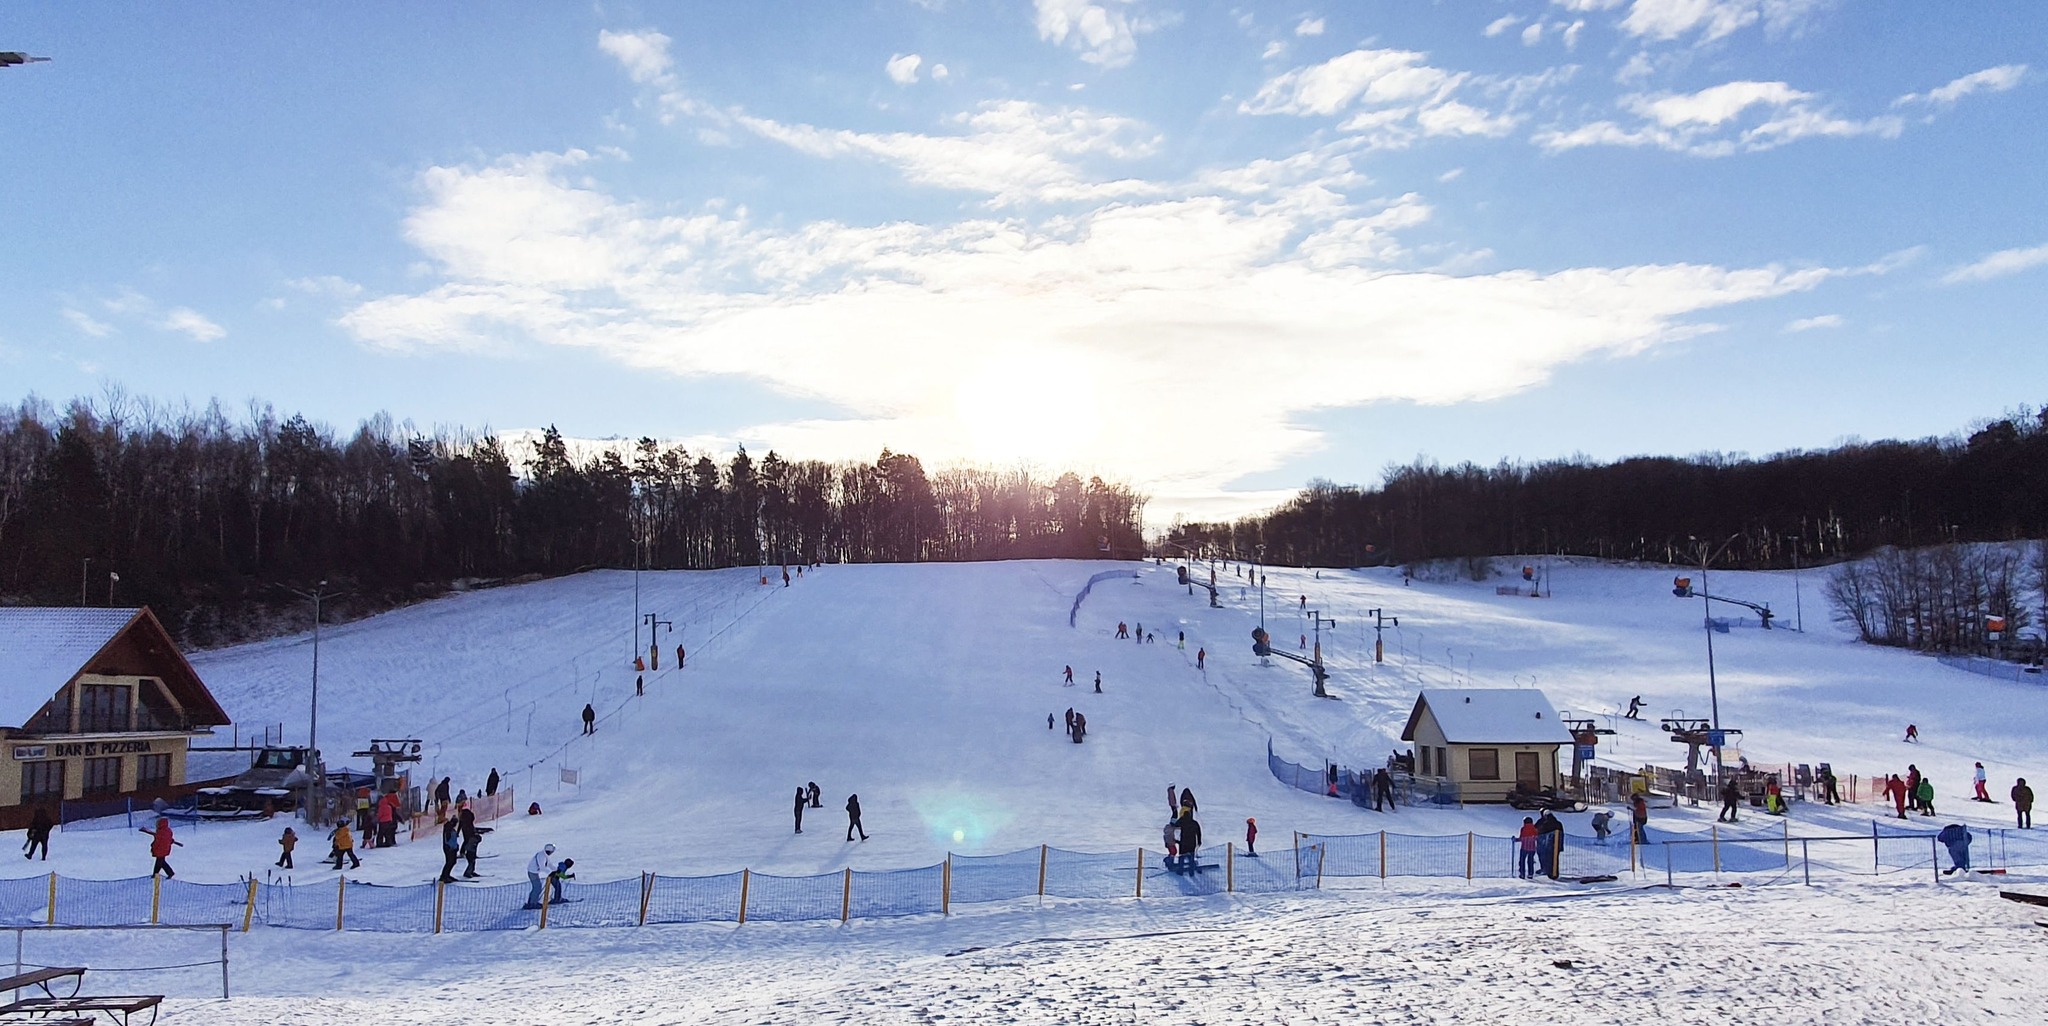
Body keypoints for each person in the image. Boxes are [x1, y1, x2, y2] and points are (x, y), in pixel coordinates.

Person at [525, 845, 557, 909]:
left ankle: (531, 902)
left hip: (535, 872)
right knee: (537, 887)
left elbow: (549, 864)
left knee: (537, 887)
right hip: (532, 872)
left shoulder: (545, 855)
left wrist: (556, 870)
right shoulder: (541, 856)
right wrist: (550, 872)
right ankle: (532, 903)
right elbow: (542, 867)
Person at [1536, 811, 1564, 879]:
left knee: (1546, 858)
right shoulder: (1558, 823)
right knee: (1555, 859)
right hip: (1556, 845)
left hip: (1547, 845)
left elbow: (1539, 830)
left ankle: (1548, 871)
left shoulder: (1545, 823)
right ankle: (1554, 873)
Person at [459, 802, 483, 877]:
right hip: (470, 831)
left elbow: (460, 823)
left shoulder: (462, 815)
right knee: (470, 849)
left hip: (465, 831)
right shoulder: (469, 814)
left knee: (466, 841)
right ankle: (469, 871)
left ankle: (463, 852)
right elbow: (472, 819)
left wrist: (458, 831)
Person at [439, 817, 461, 883]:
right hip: (449, 848)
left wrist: (456, 846)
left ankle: (447, 875)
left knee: (452, 862)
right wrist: (451, 847)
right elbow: (448, 839)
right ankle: (444, 876)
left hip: (452, 848)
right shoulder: (449, 828)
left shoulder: (451, 828)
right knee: (450, 862)